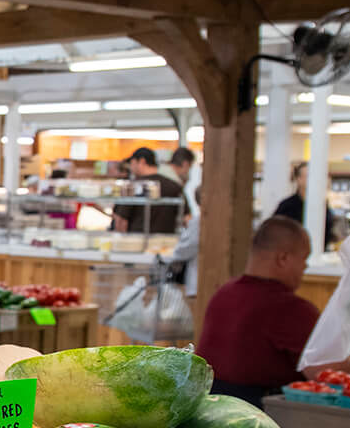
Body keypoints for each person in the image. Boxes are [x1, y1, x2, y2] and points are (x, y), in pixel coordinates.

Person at [195, 216, 320, 406]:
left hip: (207, 407)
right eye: (304, 259)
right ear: (283, 258)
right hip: (263, 416)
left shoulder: (224, 293)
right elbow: (323, 373)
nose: (305, 267)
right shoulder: (291, 309)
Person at [111, 147, 185, 235]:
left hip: (136, 242)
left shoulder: (131, 187)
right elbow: (186, 218)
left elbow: (121, 221)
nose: (131, 167)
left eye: (132, 163)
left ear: (142, 161)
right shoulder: (174, 186)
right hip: (166, 244)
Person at [275, 162, 338, 246]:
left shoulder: (322, 205)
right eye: (309, 176)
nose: (314, 180)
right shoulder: (287, 206)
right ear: (298, 179)